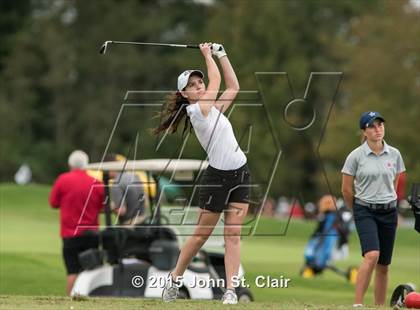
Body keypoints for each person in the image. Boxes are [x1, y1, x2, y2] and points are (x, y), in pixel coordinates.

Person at [154, 42, 250, 304]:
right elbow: (216, 79)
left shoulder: (214, 110)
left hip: (240, 173)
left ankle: (230, 291)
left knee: (233, 234)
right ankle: (174, 280)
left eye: (200, 82)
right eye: (193, 85)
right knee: (200, 236)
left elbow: (233, 87)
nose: (199, 86)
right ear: (184, 95)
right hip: (216, 179)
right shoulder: (196, 111)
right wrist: (208, 55)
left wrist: (223, 54)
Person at [341, 111, 405, 307]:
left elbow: (396, 181)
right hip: (364, 210)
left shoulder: (394, 154)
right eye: (372, 126)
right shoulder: (355, 156)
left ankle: (379, 306)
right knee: (372, 255)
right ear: (364, 131)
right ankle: (358, 304)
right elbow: (346, 189)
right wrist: (357, 210)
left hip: (389, 211)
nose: (378, 129)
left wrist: (388, 200)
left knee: (384, 264)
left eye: (380, 125)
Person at [49, 150, 104, 295]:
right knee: (91, 270)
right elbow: (102, 207)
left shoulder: (63, 179)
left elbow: (53, 203)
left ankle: (70, 303)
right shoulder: (97, 183)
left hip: (70, 234)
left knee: (72, 271)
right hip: (91, 233)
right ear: (86, 165)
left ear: (70, 164)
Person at [105, 154, 147, 226]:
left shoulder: (116, 183)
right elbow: (145, 202)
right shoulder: (135, 176)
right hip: (143, 220)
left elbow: (121, 211)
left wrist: (110, 206)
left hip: (129, 225)